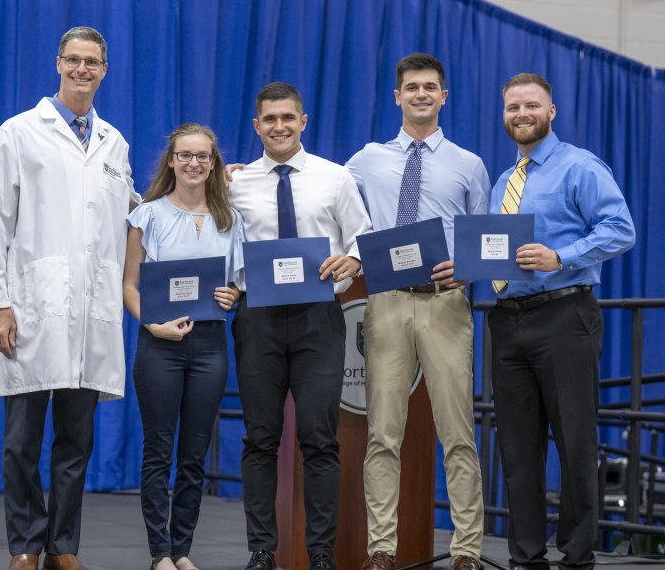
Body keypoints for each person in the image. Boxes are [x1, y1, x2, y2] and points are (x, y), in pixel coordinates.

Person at [0, 26, 139, 570]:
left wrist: (203, 184)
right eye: (73, 60)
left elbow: (132, 210)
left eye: (93, 62)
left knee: (76, 441)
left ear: (105, 69)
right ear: (57, 64)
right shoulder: (20, 133)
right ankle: (25, 545)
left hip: (91, 315)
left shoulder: (113, 143)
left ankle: (62, 547)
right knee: (22, 441)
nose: (82, 70)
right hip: (32, 309)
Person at [346, 53, 490, 570]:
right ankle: (381, 550)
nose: (421, 94)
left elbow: (485, 242)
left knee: (458, 432)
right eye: (412, 87)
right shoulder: (365, 161)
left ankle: (467, 550)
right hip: (384, 305)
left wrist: (469, 271)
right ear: (397, 96)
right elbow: (330, 203)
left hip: (446, 305)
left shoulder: (469, 164)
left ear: (443, 96)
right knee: (384, 431)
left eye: (430, 87)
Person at [489, 73, 635, 570]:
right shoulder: (502, 183)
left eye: (531, 105)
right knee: (517, 450)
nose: (522, 114)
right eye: (513, 107)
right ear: (504, 115)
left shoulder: (579, 166)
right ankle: (526, 557)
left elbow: (620, 229)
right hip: (506, 323)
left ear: (552, 112)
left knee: (574, 443)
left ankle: (576, 558)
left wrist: (561, 256)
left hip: (564, 315)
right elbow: (491, 254)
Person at [228, 82, 372, 570]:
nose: (279, 127)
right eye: (269, 119)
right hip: (258, 318)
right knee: (259, 438)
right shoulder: (234, 183)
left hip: (317, 319)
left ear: (303, 121)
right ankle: (261, 552)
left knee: (319, 438)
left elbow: (363, 238)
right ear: (256, 126)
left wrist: (352, 262)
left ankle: (321, 555)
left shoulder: (335, 178)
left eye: (288, 117)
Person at [121, 123, 245, 570]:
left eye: (203, 157)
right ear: (171, 160)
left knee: (194, 454)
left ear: (214, 164)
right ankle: (160, 554)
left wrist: (233, 295)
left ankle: (183, 551)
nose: (194, 163)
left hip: (210, 345)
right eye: (185, 155)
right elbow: (129, 286)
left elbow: (235, 286)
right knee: (159, 449)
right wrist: (153, 326)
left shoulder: (231, 219)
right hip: (159, 344)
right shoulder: (146, 216)